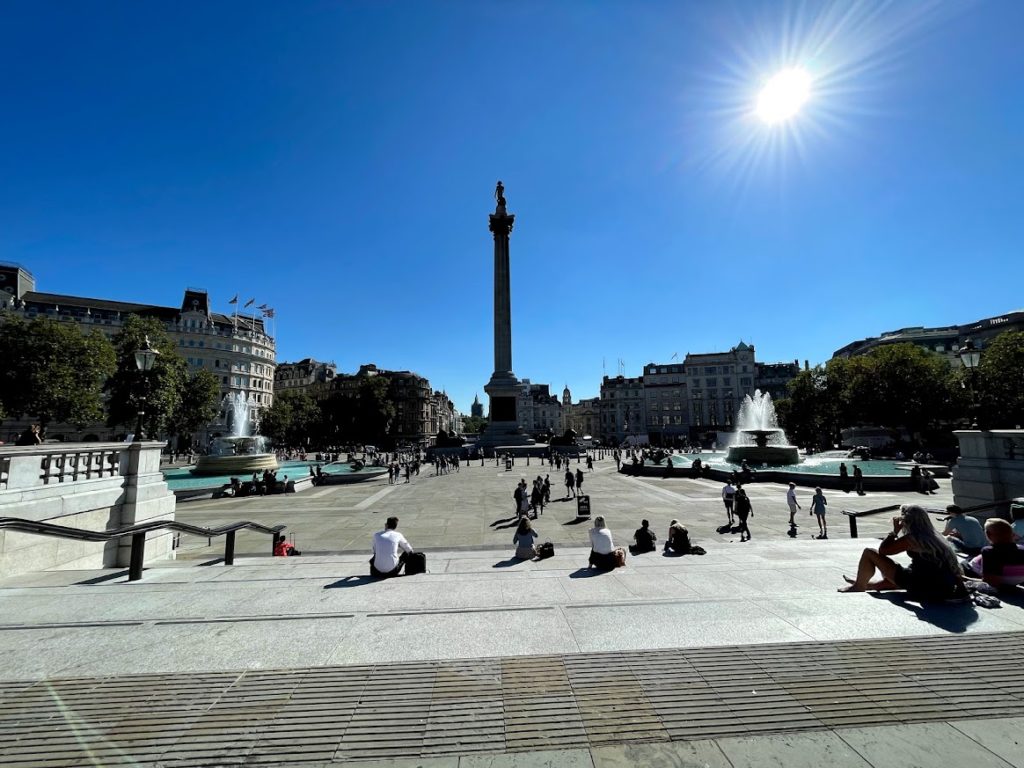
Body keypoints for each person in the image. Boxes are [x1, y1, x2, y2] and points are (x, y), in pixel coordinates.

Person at [838, 505, 966, 600]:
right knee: (896, 576)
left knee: (869, 553)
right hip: (942, 587)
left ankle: (859, 585)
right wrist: (961, 588)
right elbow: (953, 566)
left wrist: (894, 532)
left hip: (922, 587)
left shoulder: (913, 539)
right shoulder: (936, 537)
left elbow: (884, 551)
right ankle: (867, 584)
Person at [966, 519, 1024, 589]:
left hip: (973, 571)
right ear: (1013, 534)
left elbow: (990, 580)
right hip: (1015, 581)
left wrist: (965, 578)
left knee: (962, 563)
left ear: (988, 535)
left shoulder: (989, 551)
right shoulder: (1022, 549)